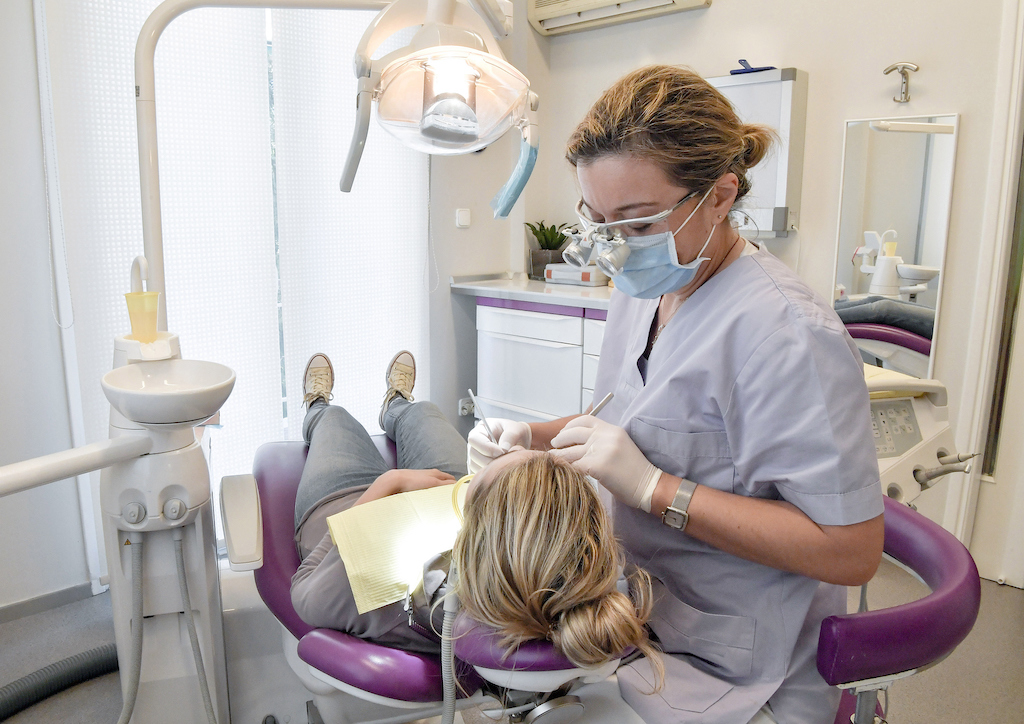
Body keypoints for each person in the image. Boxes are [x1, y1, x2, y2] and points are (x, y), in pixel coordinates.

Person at [467, 65, 885, 724]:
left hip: (736, 662)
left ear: (719, 196)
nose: (615, 247)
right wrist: (531, 436)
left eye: (636, 223)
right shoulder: (648, 288)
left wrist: (657, 490)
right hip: (634, 610)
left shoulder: (787, 335)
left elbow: (851, 551)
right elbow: (646, 419)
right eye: (598, 220)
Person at [290, 351, 658, 671]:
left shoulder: (379, 587)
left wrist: (388, 484)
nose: (507, 452)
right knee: (424, 413)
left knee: (335, 421)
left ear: (470, 529)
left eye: (479, 481)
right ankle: (397, 404)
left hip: (347, 501)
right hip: (440, 489)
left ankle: (316, 405)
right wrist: (475, 476)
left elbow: (304, 589)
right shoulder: (580, 578)